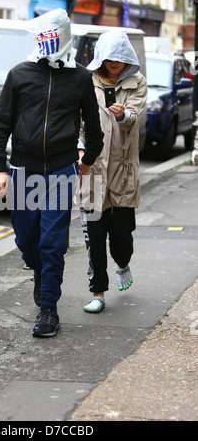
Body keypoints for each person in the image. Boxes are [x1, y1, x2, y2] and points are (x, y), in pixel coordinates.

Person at [0, 9, 104, 337]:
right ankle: (40, 273)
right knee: (27, 240)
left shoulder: (81, 78)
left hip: (60, 169)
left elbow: (93, 128)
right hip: (23, 170)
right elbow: (1, 124)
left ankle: (49, 309)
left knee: (52, 242)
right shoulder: (20, 74)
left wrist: (86, 160)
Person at [79, 30, 147, 313]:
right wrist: (81, 151)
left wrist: (123, 115)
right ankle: (98, 292)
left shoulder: (136, 82)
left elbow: (136, 116)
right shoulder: (85, 81)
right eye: (109, 57)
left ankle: (123, 262)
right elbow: (76, 121)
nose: (114, 62)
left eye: (119, 57)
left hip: (122, 170)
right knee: (94, 235)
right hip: (93, 170)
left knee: (121, 236)